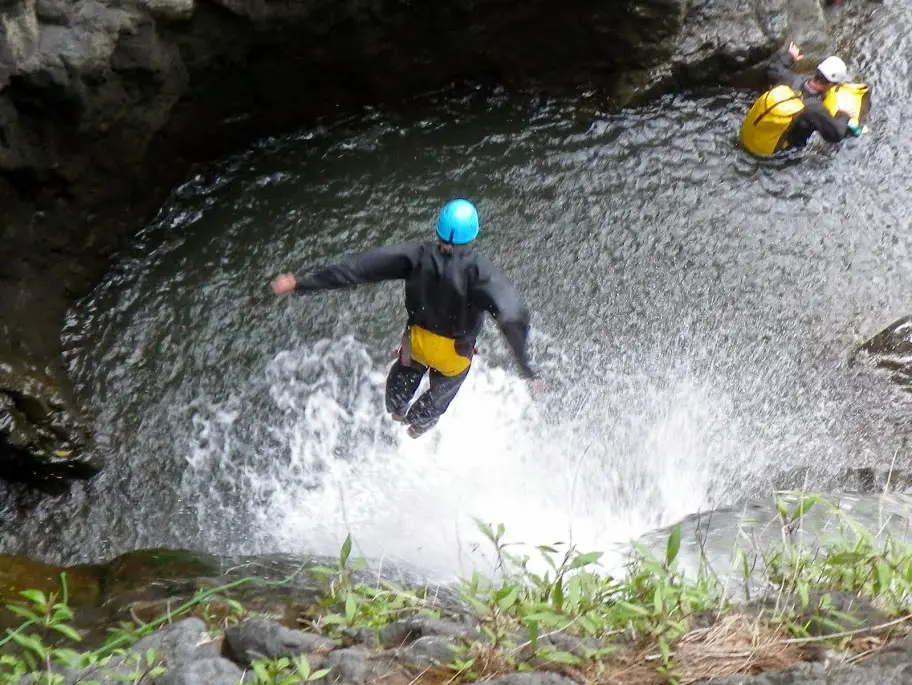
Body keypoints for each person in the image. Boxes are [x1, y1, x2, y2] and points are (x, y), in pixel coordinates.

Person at [270, 198, 542, 438]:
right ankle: (417, 429)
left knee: (395, 405)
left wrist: (301, 284)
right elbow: (511, 317)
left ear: (438, 229)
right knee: (428, 412)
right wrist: (528, 371)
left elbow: (356, 269)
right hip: (454, 357)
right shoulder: (483, 274)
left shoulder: (415, 256)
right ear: (473, 237)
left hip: (416, 348)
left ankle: (398, 418)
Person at [739, 42, 865, 157]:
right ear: (833, 84)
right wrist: (844, 115)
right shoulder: (814, 107)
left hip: (746, 138)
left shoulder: (788, 80)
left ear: (817, 71)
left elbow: (772, 68)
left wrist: (789, 57)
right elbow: (836, 134)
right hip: (779, 156)